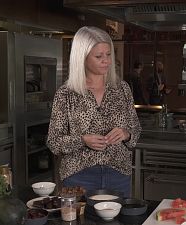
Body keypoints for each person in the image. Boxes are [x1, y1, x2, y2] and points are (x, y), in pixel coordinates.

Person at [46, 26, 141, 198]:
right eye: (99, 56)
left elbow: (136, 131)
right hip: (79, 177)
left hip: (118, 174)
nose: (106, 60)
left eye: (108, 54)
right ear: (82, 57)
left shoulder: (122, 89)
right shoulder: (66, 94)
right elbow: (53, 142)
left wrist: (125, 134)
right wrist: (82, 140)